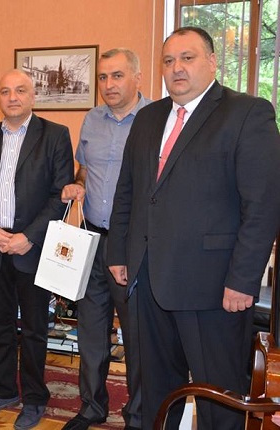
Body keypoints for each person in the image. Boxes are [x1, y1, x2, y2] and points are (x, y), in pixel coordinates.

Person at [106, 27, 280, 429]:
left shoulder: (247, 113)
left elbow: (263, 207)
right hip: (148, 280)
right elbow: (128, 191)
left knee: (218, 396)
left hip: (214, 288)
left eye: (188, 58)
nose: (177, 68)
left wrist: (243, 280)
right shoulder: (149, 117)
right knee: (156, 391)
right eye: (168, 61)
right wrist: (118, 252)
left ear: (212, 62)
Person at [0, 69, 74, 430]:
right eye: (5, 91)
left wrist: (28, 236)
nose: (12, 97)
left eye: (20, 90)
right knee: (0, 326)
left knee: (36, 329)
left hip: (32, 246)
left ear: (33, 96)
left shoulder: (55, 135)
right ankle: (4, 390)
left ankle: (36, 397)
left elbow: (60, 193)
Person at [60, 49, 149, 430]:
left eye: (117, 75)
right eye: (102, 77)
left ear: (137, 78)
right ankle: (92, 407)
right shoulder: (91, 119)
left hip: (133, 245)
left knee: (138, 336)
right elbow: (84, 170)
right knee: (90, 331)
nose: (109, 85)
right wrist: (76, 185)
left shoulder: (155, 119)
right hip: (92, 239)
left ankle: (138, 415)